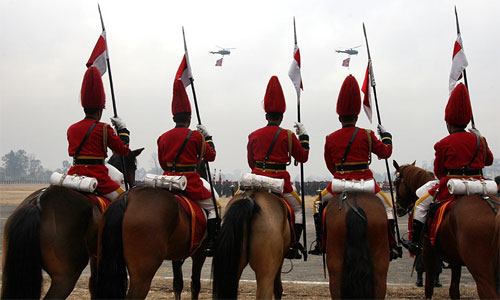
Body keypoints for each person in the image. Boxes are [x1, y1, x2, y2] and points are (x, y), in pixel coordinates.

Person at [309, 75, 399, 260]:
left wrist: (340, 174)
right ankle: (392, 245)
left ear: (339, 116)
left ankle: (320, 243)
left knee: (316, 204)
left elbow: (330, 165)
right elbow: (385, 153)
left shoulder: (331, 138)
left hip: (340, 183)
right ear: (357, 116)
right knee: (388, 209)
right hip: (367, 183)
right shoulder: (367, 134)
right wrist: (387, 136)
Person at [405, 83, 494, 255]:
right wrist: (480, 137)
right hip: (480, 185)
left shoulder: (443, 144)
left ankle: (416, 243)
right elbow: (488, 160)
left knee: (420, 205)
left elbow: (439, 172)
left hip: (451, 187)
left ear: (448, 122)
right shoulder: (479, 141)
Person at [247, 76, 309, 259]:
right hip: (280, 183)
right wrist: (304, 137)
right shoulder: (288, 136)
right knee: (298, 211)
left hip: (256, 179)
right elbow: (303, 157)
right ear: (282, 116)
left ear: (266, 115)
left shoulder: (254, 135)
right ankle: (293, 245)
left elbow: (251, 162)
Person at [157, 79, 218, 256]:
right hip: (189, 182)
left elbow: (162, 163)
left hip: (167, 180)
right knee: (214, 207)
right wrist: (207, 137)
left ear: (173, 117)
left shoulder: (163, 137)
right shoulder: (196, 137)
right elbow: (211, 156)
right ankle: (212, 242)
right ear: (189, 118)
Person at [67, 66, 130, 201]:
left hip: (74, 175)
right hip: (99, 177)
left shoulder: (72, 128)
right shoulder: (103, 128)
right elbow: (123, 150)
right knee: (124, 201)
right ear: (100, 111)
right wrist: (123, 130)